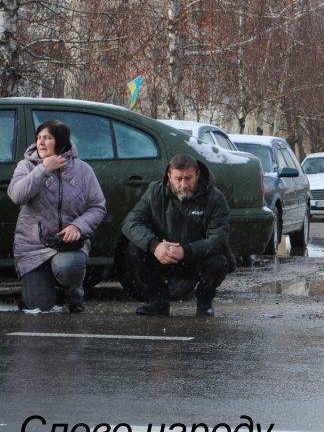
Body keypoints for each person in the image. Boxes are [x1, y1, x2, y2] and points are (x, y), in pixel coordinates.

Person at [7, 120, 106, 314]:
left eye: (48, 138)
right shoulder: (26, 166)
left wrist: (78, 226)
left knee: (68, 266)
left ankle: (73, 290)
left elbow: (97, 206)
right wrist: (43, 169)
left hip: (67, 247)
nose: (41, 143)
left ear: (60, 141)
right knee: (39, 308)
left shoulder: (83, 170)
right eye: (38, 138)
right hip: (33, 248)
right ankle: (51, 290)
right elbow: (17, 195)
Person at [122, 154, 234, 317]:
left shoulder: (215, 198)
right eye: (178, 179)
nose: (183, 184)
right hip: (162, 255)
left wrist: (186, 251)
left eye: (188, 178)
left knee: (218, 262)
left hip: (196, 258)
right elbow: (130, 222)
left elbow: (218, 239)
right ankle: (157, 301)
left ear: (197, 175)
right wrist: (156, 246)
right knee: (134, 247)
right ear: (169, 176)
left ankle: (204, 303)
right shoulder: (155, 191)